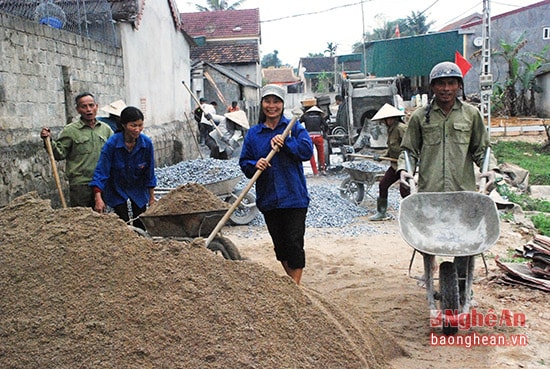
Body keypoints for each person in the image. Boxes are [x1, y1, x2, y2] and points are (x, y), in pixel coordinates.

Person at [396, 61, 498, 308]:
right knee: (428, 242)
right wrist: (403, 171)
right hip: (430, 196)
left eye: (451, 83)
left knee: (465, 247)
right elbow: (408, 151)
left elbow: (481, 149)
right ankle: (431, 281)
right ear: (432, 87)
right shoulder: (421, 117)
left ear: (459, 86)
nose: (446, 88)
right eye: (441, 83)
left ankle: (464, 289)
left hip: (462, 195)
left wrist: (490, 170)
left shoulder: (471, 115)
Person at [239, 84, 313, 284]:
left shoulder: (293, 127)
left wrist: (287, 142)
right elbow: (244, 164)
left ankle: (295, 288)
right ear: (262, 103)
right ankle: (292, 283)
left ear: (282, 104)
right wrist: (257, 164)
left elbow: (307, 152)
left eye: (276, 101)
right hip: (269, 198)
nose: (272, 106)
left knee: (294, 243)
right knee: (281, 247)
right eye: (267, 101)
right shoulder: (254, 134)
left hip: (294, 197)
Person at [40, 92, 113, 208]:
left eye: (91, 105)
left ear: (96, 107)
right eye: (84, 106)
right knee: (82, 220)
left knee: (103, 219)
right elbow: (59, 154)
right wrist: (48, 141)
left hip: (102, 182)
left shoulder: (106, 130)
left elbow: (114, 154)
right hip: (81, 184)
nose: (88, 109)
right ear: (78, 109)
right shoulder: (70, 131)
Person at [89, 106, 157, 231]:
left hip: (138, 187)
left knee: (140, 220)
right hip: (116, 187)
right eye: (133, 125)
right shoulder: (112, 144)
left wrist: (151, 198)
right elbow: (101, 171)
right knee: (122, 222)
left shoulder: (146, 144)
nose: (137, 130)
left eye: (140, 125)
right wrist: (98, 198)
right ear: (124, 125)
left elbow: (149, 173)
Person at [369, 103, 410, 221]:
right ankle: (381, 213)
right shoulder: (391, 129)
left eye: (386, 119)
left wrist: (405, 162)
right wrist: (382, 156)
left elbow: (408, 147)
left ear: (392, 118)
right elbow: (392, 148)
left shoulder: (401, 128)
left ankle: (411, 214)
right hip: (395, 165)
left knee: (404, 190)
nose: (384, 122)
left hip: (405, 164)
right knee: (383, 185)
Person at [300, 105, 328, 176]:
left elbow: (298, 123)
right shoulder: (320, 117)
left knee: (311, 154)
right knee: (321, 153)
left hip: (309, 137)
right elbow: (326, 125)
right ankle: (323, 169)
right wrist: (324, 132)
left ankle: (315, 171)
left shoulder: (305, 116)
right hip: (318, 136)